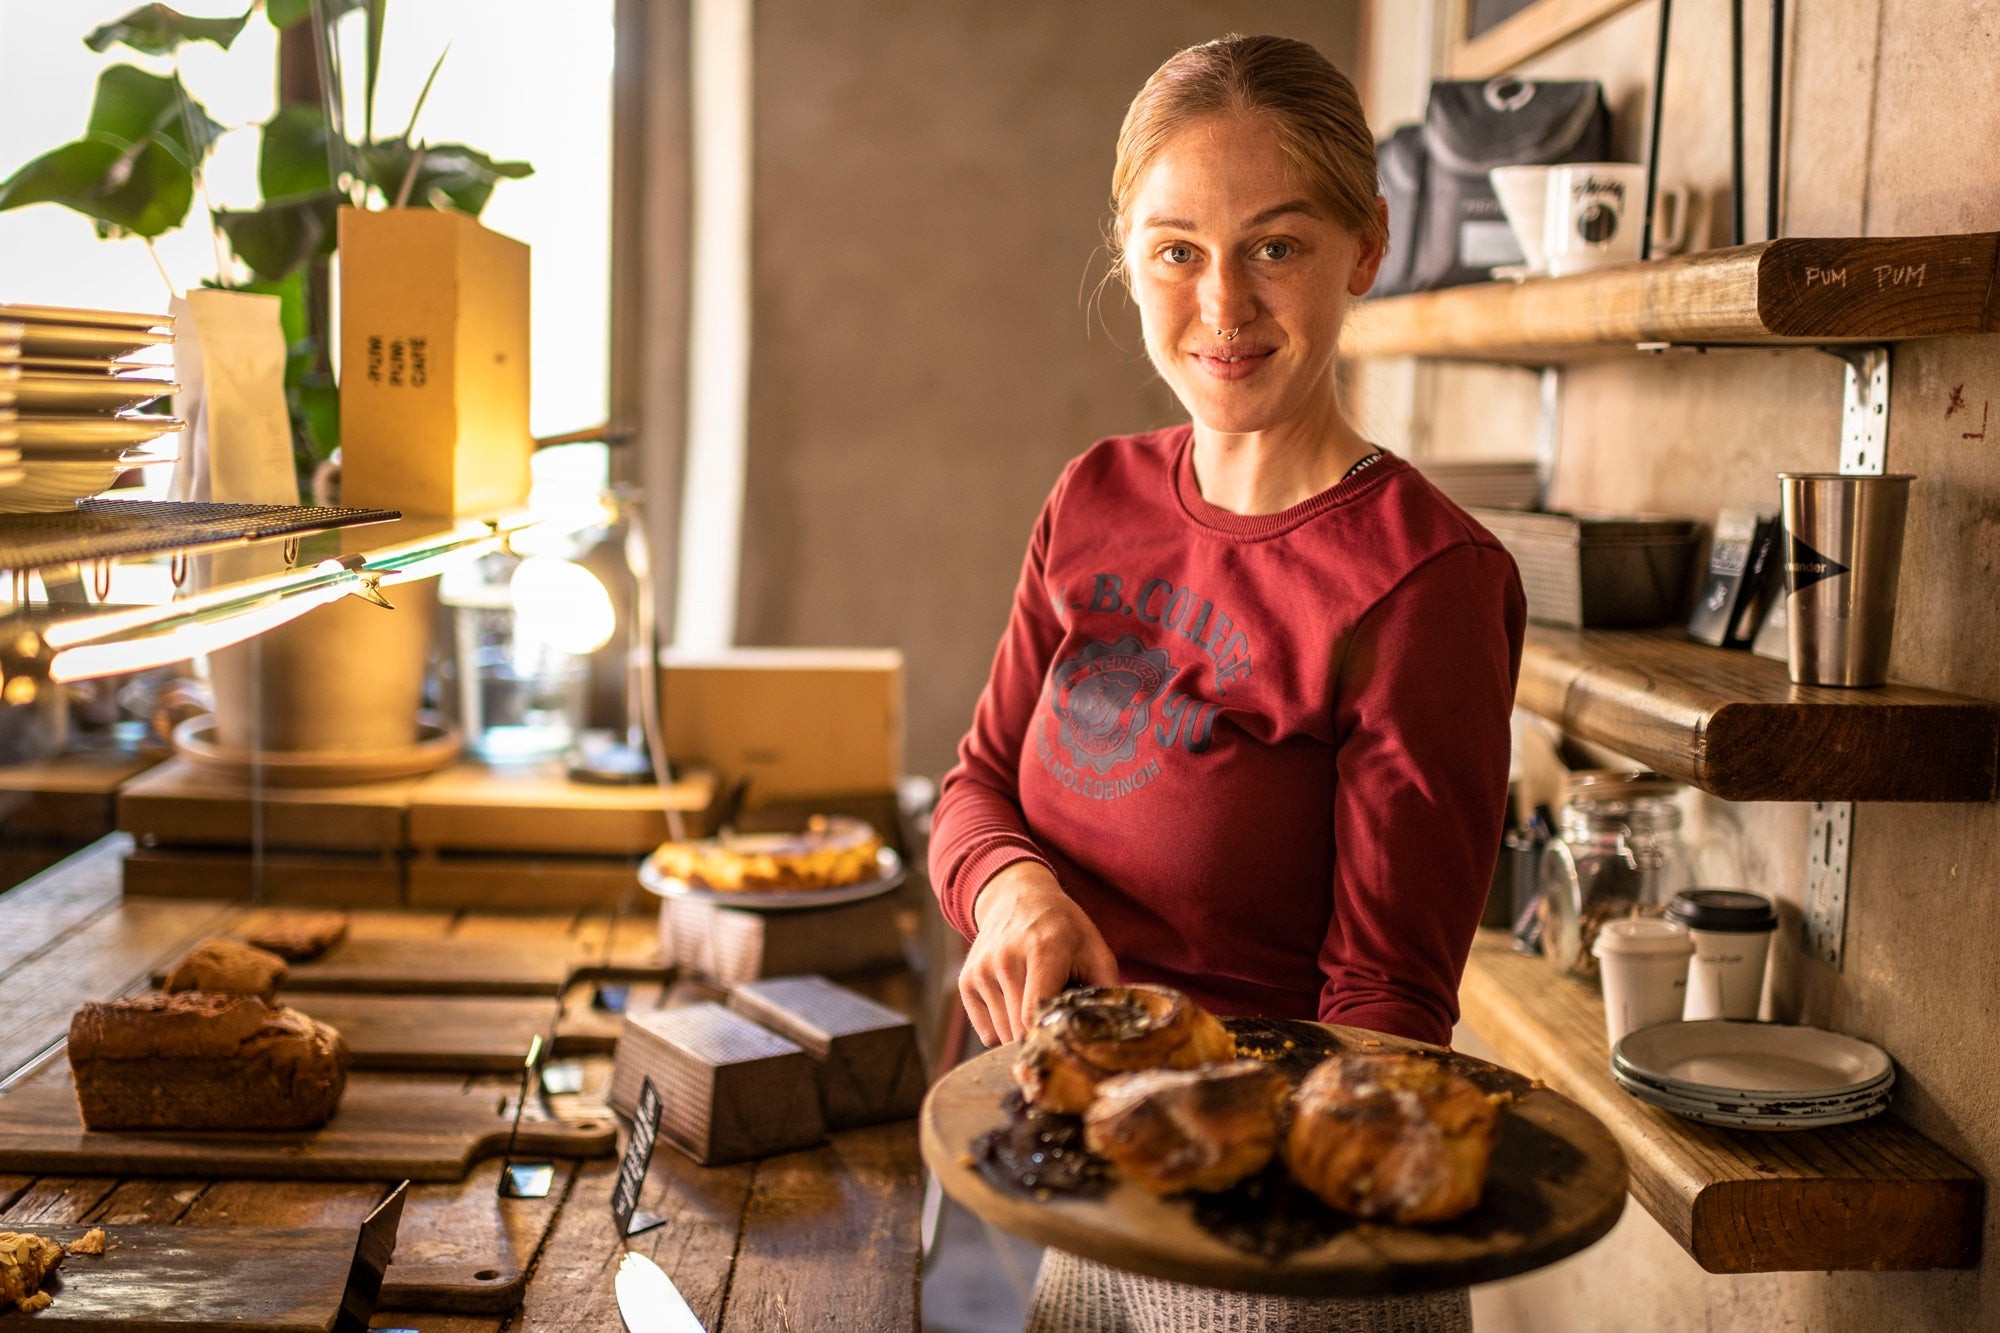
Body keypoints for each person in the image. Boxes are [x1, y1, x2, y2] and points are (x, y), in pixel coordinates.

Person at [927, 32, 1527, 1333]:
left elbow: (1386, 1014)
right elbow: (976, 784)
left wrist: (1254, 1247)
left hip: (1281, 1248)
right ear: (1130, 255)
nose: (1223, 305)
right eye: (1177, 249)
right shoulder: (1094, 497)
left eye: (1277, 245)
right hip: (1093, 1185)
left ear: (1364, 249)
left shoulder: (1424, 579)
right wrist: (1018, 896)